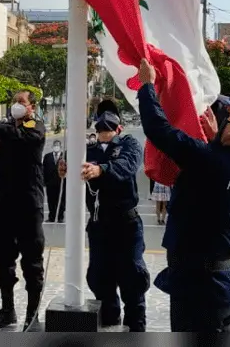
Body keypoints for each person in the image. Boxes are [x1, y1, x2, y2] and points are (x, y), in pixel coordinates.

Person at [137, 58, 230, 333]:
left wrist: (147, 86)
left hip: (198, 287)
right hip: (220, 282)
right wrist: (215, 141)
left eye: (227, 119)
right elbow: (221, 179)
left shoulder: (210, 161)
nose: (221, 121)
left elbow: (159, 131)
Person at [0, 89, 47, 332]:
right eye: (14, 101)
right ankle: (7, 310)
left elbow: (20, 137)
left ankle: (32, 316)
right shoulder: (5, 128)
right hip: (5, 203)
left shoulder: (35, 127)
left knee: (32, 262)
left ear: (31, 107)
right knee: (3, 258)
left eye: (21, 102)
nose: (16, 105)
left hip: (29, 203)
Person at [83, 103, 149, 331]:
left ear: (119, 127)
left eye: (109, 128)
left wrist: (101, 169)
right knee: (101, 280)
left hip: (126, 225)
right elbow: (73, 167)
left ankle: (136, 330)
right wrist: (65, 169)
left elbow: (127, 166)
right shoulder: (89, 149)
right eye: (101, 129)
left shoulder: (129, 144)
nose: (104, 132)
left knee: (133, 279)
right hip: (99, 225)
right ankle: (110, 326)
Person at [43, 139, 67, 223]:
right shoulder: (47, 156)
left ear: (60, 146)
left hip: (62, 182)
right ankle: (51, 217)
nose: (56, 146)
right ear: (52, 146)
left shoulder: (64, 156)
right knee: (51, 200)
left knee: (61, 200)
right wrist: (44, 181)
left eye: (58, 145)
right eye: (55, 145)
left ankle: (60, 217)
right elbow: (44, 169)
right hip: (50, 183)